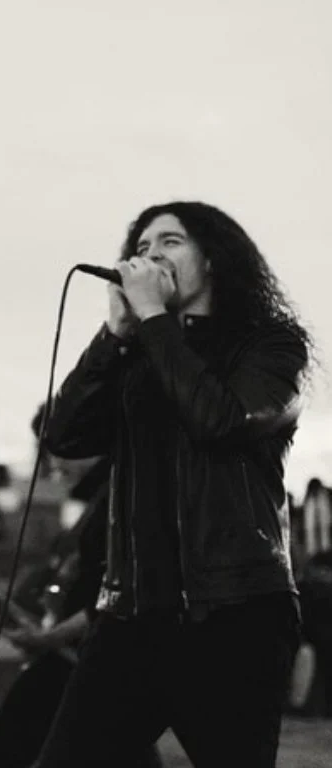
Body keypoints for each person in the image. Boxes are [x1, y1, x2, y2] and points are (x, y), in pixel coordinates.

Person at [37, 201, 312, 767]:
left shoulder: (270, 346)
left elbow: (223, 420)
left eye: (169, 243)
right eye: (140, 248)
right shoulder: (137, 355)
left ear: (212, 259)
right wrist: (115, 335)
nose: (150, 257)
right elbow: (63, 436)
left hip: (234, 614)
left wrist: (155, 321)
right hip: (130, 616)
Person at [0, 452, 162, 768]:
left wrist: (52, 637)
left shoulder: (126, 499)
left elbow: (117, 595)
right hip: (79, 655)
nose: (55, 460)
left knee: (4, 755)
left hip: (90, 656)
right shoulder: (103, 499)